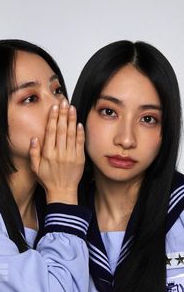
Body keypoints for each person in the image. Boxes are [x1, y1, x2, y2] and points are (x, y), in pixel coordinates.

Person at [0, 39, 92, 291]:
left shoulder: (50, 204)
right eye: (30, 98)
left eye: (57, 90)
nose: (58, 106)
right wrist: (63, 194)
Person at [71, 40, 184, 292]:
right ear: (81, 115)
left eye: (147, 119)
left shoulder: (180, 210)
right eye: (109, 112)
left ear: (167, 131)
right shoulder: (52, 215)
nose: (126, 139)